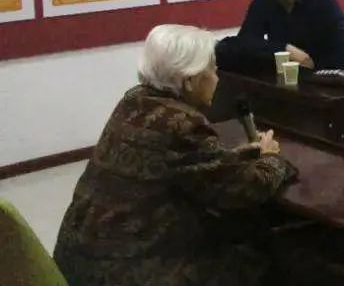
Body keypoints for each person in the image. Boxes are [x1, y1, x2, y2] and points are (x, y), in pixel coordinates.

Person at [54, 25, 292, 286]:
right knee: (262, 255)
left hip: (80, 259)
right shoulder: (182, 124)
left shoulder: (134, 101)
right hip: (128, 271)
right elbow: (243, 189)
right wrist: (271, 158)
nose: (217, 78)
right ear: (189, 81)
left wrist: (234, 156)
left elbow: (178, 165)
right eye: (212, 70)